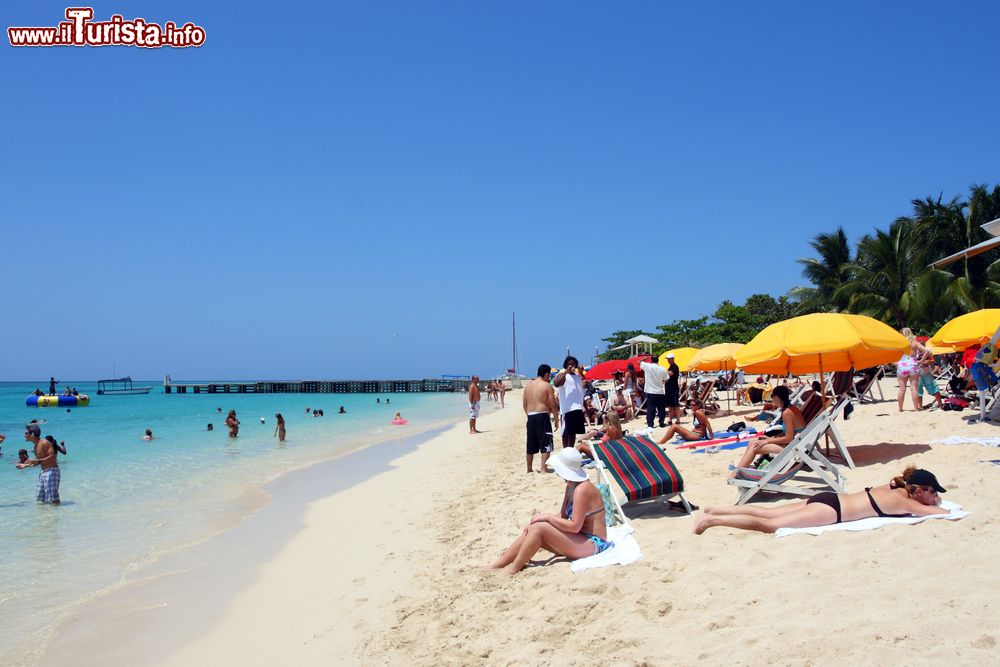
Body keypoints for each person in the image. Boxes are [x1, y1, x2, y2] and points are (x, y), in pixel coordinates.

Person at [694, 467, 948, 534]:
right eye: (932, 492)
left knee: (770, 512)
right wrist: (935, 506)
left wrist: (931, 499)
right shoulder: (905, 501)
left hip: (830, 498)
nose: (934, 497)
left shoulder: (894, 485)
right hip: (833, 510)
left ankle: (715, 510)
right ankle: (713, 520)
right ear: (916, 490)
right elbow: (940, 514)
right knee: (771, 524)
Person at [486, 448, 611, 576]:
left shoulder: (582, 489)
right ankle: (498, 564)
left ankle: (513, 569)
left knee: (539, 528)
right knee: (533, 528)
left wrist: (546, 518)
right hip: (580, 539)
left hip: (594, 544)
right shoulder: (571, 486)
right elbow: (562, 516)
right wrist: (541, 520)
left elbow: (574, 526)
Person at [729, 386, 804, 477]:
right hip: (796, 445)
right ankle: (739, 471)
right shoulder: (791, 409)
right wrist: (770, 438)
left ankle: (735, 475)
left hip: (793, 449)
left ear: (777, 397)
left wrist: (767, 441)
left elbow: (789, 438)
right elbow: (790, 434)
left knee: (754, 447)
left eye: (772, 395)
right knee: (753, 443)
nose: (771, 398)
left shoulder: (787, 412)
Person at [523, 364, 559, 473]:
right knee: (546, 442)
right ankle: (543, 468)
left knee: (531, 443)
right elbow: (553, 404)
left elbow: (524, 404)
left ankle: (529, 469)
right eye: (549, 376)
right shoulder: (546, 385)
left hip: (530, 416)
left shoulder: (528, 386)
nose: (550, 378)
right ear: (546, 374)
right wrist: (556, 419)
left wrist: (529, 416)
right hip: (542, 415)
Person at [18, 424, 60, 504]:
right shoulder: (35, 446)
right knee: (41, 499)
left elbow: (52, 456)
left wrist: (38, 460)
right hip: (43, 472)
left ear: (32, 434)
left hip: (52, 471)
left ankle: (56, 515)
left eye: (26, 433)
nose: (24, 435)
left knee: (53, 499)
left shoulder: (44, 442)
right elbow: (38, 462)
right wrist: (25, 465)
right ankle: (47, 515)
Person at [554, 357, 586, 448]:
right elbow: (556, 383)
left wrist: (581, 372)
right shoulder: (562, 375)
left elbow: (583, 385)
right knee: (566, 433)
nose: (570, 366)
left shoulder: (577, 377)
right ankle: (565, 450)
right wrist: (565, 372)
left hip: (577, 408)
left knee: (573, 433)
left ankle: (571, 450)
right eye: (569, 364)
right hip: (567, 409)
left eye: (572, 364)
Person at [896, 328, 923, 412]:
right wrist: (921, 361)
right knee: (914, 388)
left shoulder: (899, 343)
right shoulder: (914, 343)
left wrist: (895, 363)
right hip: (913, 365)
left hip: (902, 365)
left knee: (902, 389)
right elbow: (927, 351)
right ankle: (916, 408)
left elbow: (890, 353)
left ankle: (900, 409)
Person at [640, 355, 670, 429]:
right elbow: (666, 380)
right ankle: (661, 423)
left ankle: (650, 424)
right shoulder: (663, 368)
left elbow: (639, 362)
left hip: (650, 391)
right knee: (661, 408)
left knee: (651, 408)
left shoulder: (647, 366)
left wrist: (645, 358)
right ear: (658, 360)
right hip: (660, 391)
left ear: (651, 360)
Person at [665, 353, 681, 425]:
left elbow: (670, 373)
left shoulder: (675, 367)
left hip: (673, 388)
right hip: (669, 388)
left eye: (669, 359)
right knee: (670, 405)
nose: (668, 360)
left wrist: (661, 371)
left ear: (672, 359)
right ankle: (670, 419)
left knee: (676, 405)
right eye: (667, 359)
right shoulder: (670, 366)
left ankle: (678, 420)